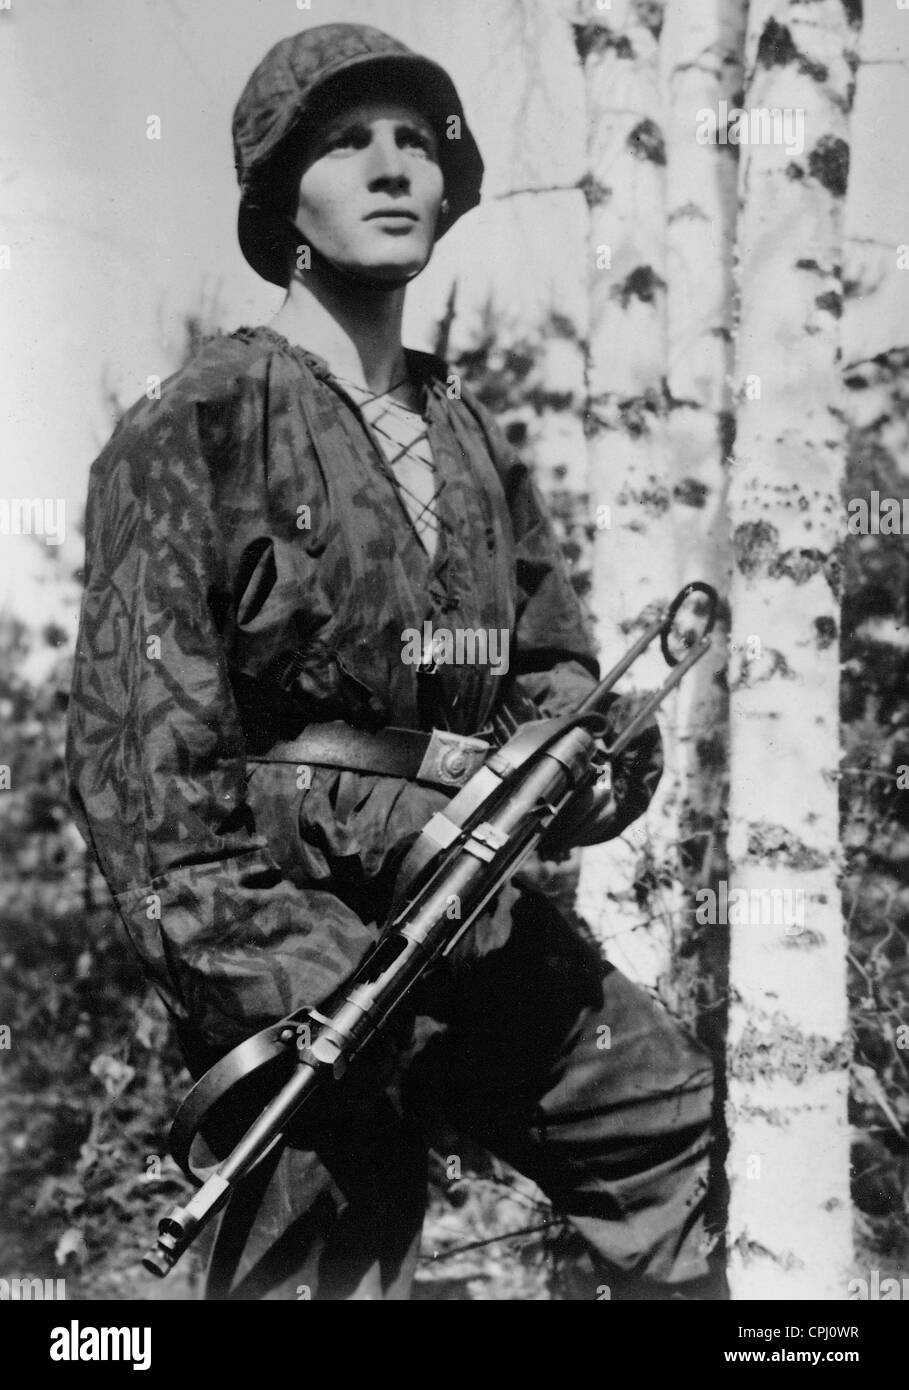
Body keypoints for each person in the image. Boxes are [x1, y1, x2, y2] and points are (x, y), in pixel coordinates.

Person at [66, 22, 721, 1300]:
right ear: (282, 196)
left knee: (666, 1131)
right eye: (347, 142)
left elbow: (555, 672)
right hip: (295, 930)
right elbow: (140, 769)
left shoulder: (470, 439)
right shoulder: (194, 422)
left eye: (417, 144)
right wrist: (287, 986)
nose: (392, 169)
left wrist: (593, 759)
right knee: (322, 1273)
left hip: (467, 895)